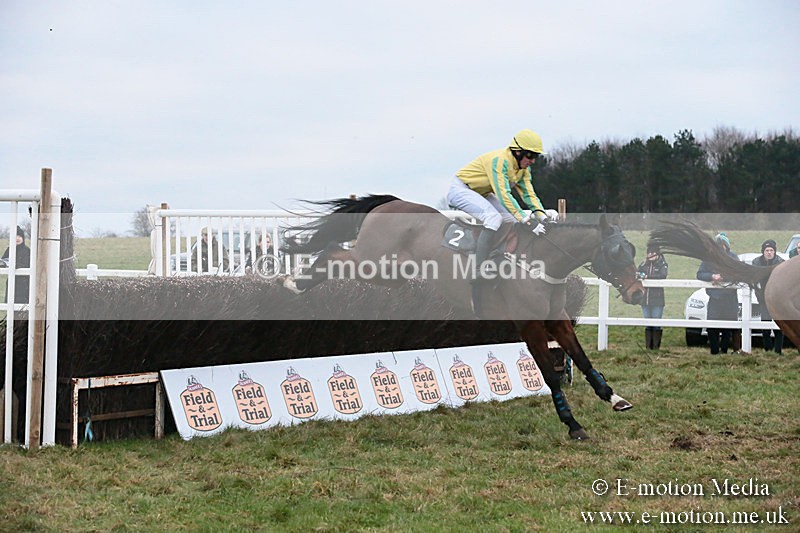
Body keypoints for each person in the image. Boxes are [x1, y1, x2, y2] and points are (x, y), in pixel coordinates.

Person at [446, 129, 558, 312]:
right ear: (518, 151)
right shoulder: (500, 161)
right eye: (530, 156)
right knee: (493, 218)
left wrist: (541, 215)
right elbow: (503, 194)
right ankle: (479, 268)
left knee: (508, 219)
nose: (532, 161)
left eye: (535, 156)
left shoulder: (523, 170)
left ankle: (498, 257)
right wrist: (527, 220)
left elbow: (529, 194)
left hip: (480, 193)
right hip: (461, 190)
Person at [696, 233, 739, 355]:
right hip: (715, 298)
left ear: (726, 246)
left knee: (728, 327)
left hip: (730, 298)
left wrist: (723, 277)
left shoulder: (733, 258)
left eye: (722, 245)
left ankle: (724, 350)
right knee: (712, 327)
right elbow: (700, 274)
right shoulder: (709, 259)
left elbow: (738, 273)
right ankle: (714, 351)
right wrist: (712, 276)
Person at [752, 239, 785, 354]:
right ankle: (767, 349)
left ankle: (778, 351)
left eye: (771, 250)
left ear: (775, 251)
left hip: (777, 300)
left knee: (779, 326)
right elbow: (755, 278)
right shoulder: (756, 262)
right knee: (765, 325)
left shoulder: (781, 262)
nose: (769, 252)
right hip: (763, 298)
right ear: (763, 252)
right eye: (767, 250)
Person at [638, 244, 668, 349]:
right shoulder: (643, 264)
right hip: (645, 299)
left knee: (656, 323)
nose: (650, 255)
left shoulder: (662, 264)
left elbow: (662, 275)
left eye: (652, 253)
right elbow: (637, 273)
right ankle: (648, 347)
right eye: (648, 253)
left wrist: (647, 277)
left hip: (657, 299)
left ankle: (655, 347)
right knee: (647, 323)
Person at [2, 226, 31, 304]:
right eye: (15, 236)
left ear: (23, 238)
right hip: (12, 281)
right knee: (11, 303)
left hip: (24, 283)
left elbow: (26, 264)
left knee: (22, 307)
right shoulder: (9, 249)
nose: (17, 238)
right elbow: (4, 261)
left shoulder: (27, 251)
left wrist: (14, 264)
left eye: (19, 236)